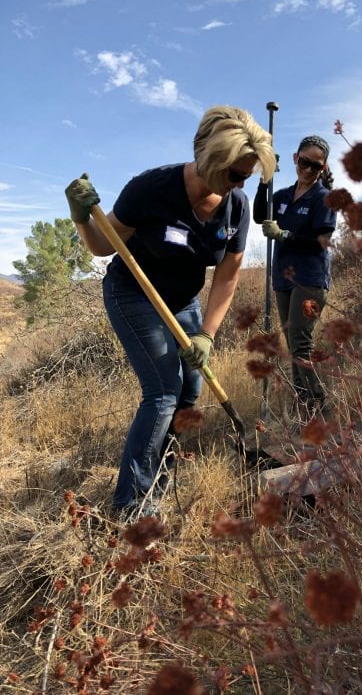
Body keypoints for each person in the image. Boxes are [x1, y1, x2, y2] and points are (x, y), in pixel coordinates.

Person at [64, 105, 276, 518]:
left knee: (189, 392)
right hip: (133, 293)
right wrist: (80, 217)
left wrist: (207, 335)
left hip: (183, 301)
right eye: (236, 173)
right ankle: (131, 507)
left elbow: (228, 275)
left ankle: (160, 478)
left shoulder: (238, 206)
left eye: (247, 176)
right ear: (210, 158)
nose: (241, 182)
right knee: (162, 391)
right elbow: (102, 246)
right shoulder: (151, 189)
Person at [253, 135, 336, 419]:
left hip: (311, 281)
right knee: (293, 346)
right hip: (284, 281)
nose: (309, 169)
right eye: (305, 162)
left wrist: (285, 235)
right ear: (295, 159)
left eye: (316, 165)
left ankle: (322, 410)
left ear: (323, 168)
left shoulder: (323, 198)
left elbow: (321, 239)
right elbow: (259, 215)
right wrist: (264, 180)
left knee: (301, 341)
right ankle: (305, 410)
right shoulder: (284, 195)